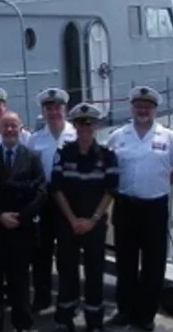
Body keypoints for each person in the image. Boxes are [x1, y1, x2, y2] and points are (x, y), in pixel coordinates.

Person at [106, 86, 173, 331]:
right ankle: (125, 311)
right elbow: (108, 168)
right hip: (125, 207)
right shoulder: (117, 136)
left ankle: (145, 316)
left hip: (155, 207)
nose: (143, 110)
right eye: (139, 106)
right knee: (126, 263)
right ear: (132, 108)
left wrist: (158, 184)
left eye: (147, 107)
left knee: (153, 265)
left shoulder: (169, 137)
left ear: (155, 110)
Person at [0, 111, 46, 332]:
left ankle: (22, 323)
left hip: (21, 230)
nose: (10, 130)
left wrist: (21, 216)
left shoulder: (33, 157)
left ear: (21, 128)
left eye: (14, 125)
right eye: (5, 126)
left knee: (20, 281)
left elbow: (41, 191)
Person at [51, 103, 118, 331]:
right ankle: (65, 317)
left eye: (89, 123)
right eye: (80, 123)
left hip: (94, 224)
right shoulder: (63, 153)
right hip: (67, 223)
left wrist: (92, 220)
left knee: (94, 272)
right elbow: (57, 189)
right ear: (75, 125)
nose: (85, 127)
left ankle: (94, 321)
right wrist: (72, 220)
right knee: (67, 270)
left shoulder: (107, 156)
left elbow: (110, 190)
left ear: (96, 126)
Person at [26, 87, 77, 311]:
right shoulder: (34, 140)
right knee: (41, 252)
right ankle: (42, 297)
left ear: (65, 109)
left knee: (68, 253)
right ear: (43, 112)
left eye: (58, 108)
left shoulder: (76, 135)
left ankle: (68, 298)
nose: (54, 112)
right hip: (44, 201)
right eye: (49, 109)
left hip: (70, 200)